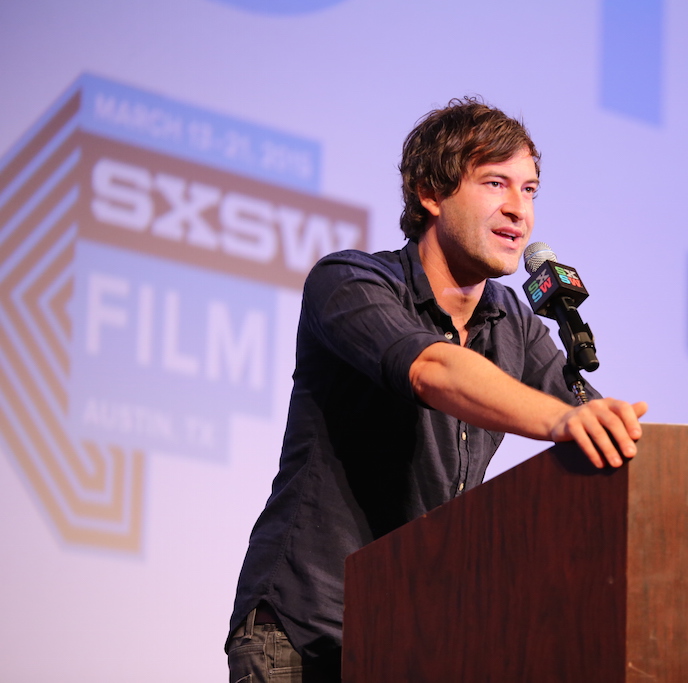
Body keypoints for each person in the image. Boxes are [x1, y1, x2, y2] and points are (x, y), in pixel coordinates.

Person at [226, 97, 647, 682]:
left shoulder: (514, 321)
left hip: (412, 639)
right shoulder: (349, 281)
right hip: (305, 634)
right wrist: (559, 423)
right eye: (495, 182)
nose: (517, 210)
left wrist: (610, 429)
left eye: (529, 190)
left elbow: (579, 409)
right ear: (430, 190)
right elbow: (433, 370)